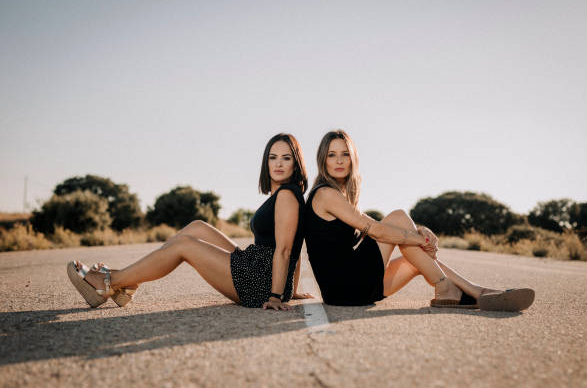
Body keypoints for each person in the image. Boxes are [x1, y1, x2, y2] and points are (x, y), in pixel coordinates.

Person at [67, 133, 313, 311]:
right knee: (197, 227)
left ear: (296, 163)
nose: (278, 163)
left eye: (286, 158)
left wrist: (276, 296)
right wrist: (291, 289)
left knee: (184, 245)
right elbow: (294, 245)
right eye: (273, 157)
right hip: (256, 266)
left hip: (259, 281)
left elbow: (285, 250)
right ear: (266, 162)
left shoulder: (287, 196)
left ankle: (112, 282)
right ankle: (128, 282)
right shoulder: (283, 194)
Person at [304, 129, 534, 311]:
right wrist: (417, 237)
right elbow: (376, 229)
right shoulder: (325, 194)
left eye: (345, 154)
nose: (339, 160)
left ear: (353, 158)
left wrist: (419, 232)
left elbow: (374, 228)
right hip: (346, 288)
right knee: (399, 217)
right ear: (322, 159)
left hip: (351, 292)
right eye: (332, 155)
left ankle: (477, 292)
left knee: (415, 258)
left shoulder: (341, 195)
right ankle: (447, 288)